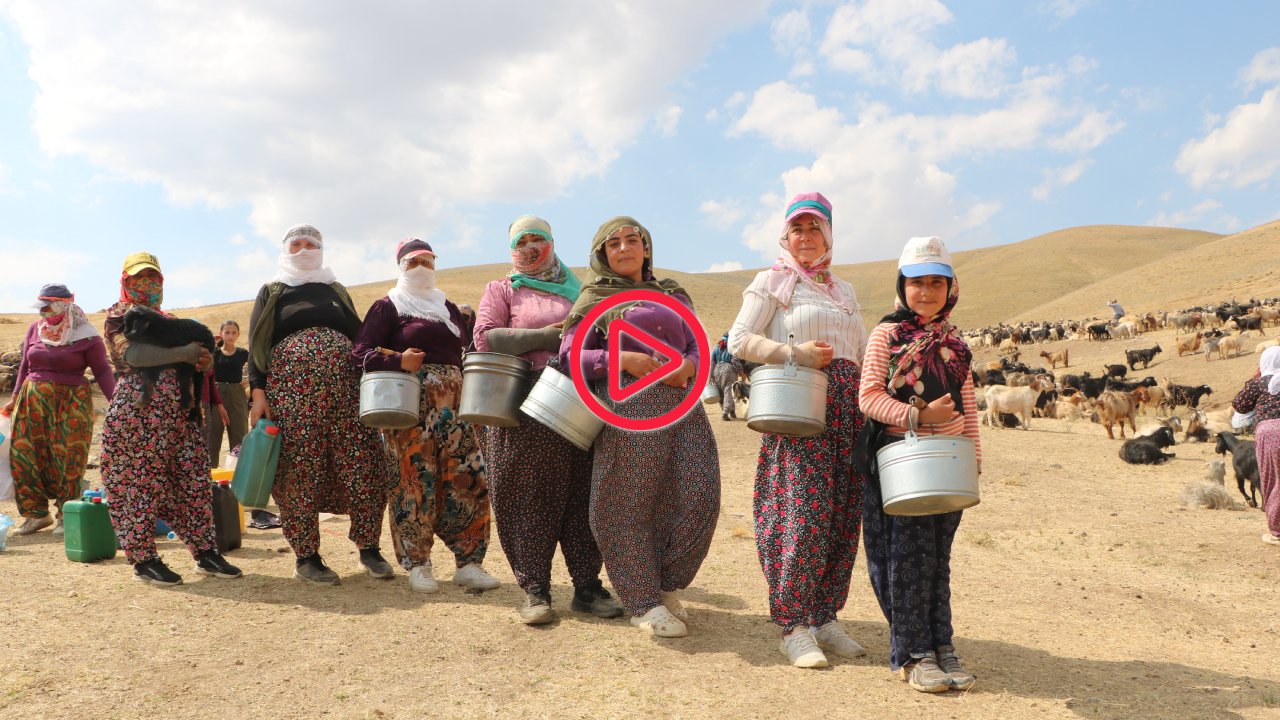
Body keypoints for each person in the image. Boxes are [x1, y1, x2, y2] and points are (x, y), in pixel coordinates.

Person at [558, 216, 720, 638]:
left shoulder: (672, 294)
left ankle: (665, 584)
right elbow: (570, 356)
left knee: (697, 492)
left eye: (633, 240)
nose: (625, 248)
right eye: (614, 244)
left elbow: (696, 347)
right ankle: (641, 600)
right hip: (629, 404)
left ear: (646, 248)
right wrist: (622, 360)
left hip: (683, 405)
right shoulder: (596, 297)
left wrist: (688, 367)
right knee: (624, 501)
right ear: (603, 254)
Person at [727, 192, 870, 668]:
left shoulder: (844, 290)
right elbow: (740, 340)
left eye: (815, 229)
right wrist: (794, 353)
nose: (805, 238)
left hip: (849, 415)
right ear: (784, 236)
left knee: (842, 518)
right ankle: (794, 624)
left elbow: (863, 350)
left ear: (828, 235)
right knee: (803, 516)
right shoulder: (772, 281)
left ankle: (825, 614)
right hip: (800, 408)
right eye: (797, 230)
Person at [473, 215, 622, 624]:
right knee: (526, 497)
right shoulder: (502, 289)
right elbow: (486, 337)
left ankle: (587, 587)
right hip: (522, 405)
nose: (531, 247)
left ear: (553, 242)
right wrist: (551, 336)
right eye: (523, 240)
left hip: (577, 396)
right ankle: (535, 589)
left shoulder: (581, 289)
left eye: (538, 238)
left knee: (580, 493)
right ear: (512, 248)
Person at [857, 236, 980, 693]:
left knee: (938, 563)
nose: (926, 292)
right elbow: (868, 397)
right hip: (902, 464)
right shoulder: (887, 335)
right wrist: (918, 415)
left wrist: (974, 462)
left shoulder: (957, 344)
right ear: (901, 285)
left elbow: (968, 407)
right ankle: (914, 655)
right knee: (905, 562)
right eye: (916, 283)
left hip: (949, 466)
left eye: (936, 283)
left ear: (950, 288)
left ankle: (943, 645)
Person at [247, 224, 394, 585]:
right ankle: (306, 556)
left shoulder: (335, 290)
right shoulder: (273, 290)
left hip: (346, 391)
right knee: (299, 470)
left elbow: (360, 339)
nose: (303, 249)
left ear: (321, 248)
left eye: (310, 244)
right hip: (292, 395)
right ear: (285, 250)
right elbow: (257, 345)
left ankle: (369, 547)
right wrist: (258, 393)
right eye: (295, 244)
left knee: (363, 461)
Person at [352, 238, 499, 593]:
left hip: (456, 405)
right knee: (414, 480)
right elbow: (360, 353)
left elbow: (465, 348)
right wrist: (397, 360)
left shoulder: (446, 306)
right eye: (413, 261)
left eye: (428, 261)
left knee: (467, 478)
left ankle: (469, 562)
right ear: (401, 265)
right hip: (411, 406)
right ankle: (418, 563)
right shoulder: (388, 306)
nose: (422, 267)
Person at [99, 253, 242, 585]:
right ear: (124, 281)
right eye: (138, 279)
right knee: (138, 484)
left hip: (182, 416)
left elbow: (201, 366)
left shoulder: (173, 320)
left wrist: (204, 362)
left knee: (192, 482)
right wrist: (184, 353)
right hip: (138, 416)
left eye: (153, 278)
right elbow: (132, 355)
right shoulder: (119, 316)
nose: (146, 285)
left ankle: (206, 553)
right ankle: (144, 559)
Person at [5, 284, 116, 535]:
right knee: (25, 455)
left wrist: (116, 402)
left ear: (63, 304)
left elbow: (102, 371)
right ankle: (36, 514)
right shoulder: (36, 329)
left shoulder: (87, 335)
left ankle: (67, 513)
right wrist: (13, 398)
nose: (43, 312)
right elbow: (25, 366)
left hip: (71, 403)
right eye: (41, 307)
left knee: (68, 457)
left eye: (47, 306)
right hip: (31, 401)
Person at [1230, 346, 1280, 546]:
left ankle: (1277, 531)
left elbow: (1239, 405)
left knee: (1273, 479)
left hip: (1269, 433)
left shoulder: (1259, 383)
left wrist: (1254, 377)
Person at [205, 320, 248, 468]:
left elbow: (257, 369)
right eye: (227, 332)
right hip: (216, 395)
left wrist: (247, 381)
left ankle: (238, 475)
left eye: (234, 332)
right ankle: (211, 478)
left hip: (237, 395)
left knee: (239, 435)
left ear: (238, 335)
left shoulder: (243, 353)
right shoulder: (214, 353)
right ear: (221, 334)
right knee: (213, 436)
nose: (230, 335)